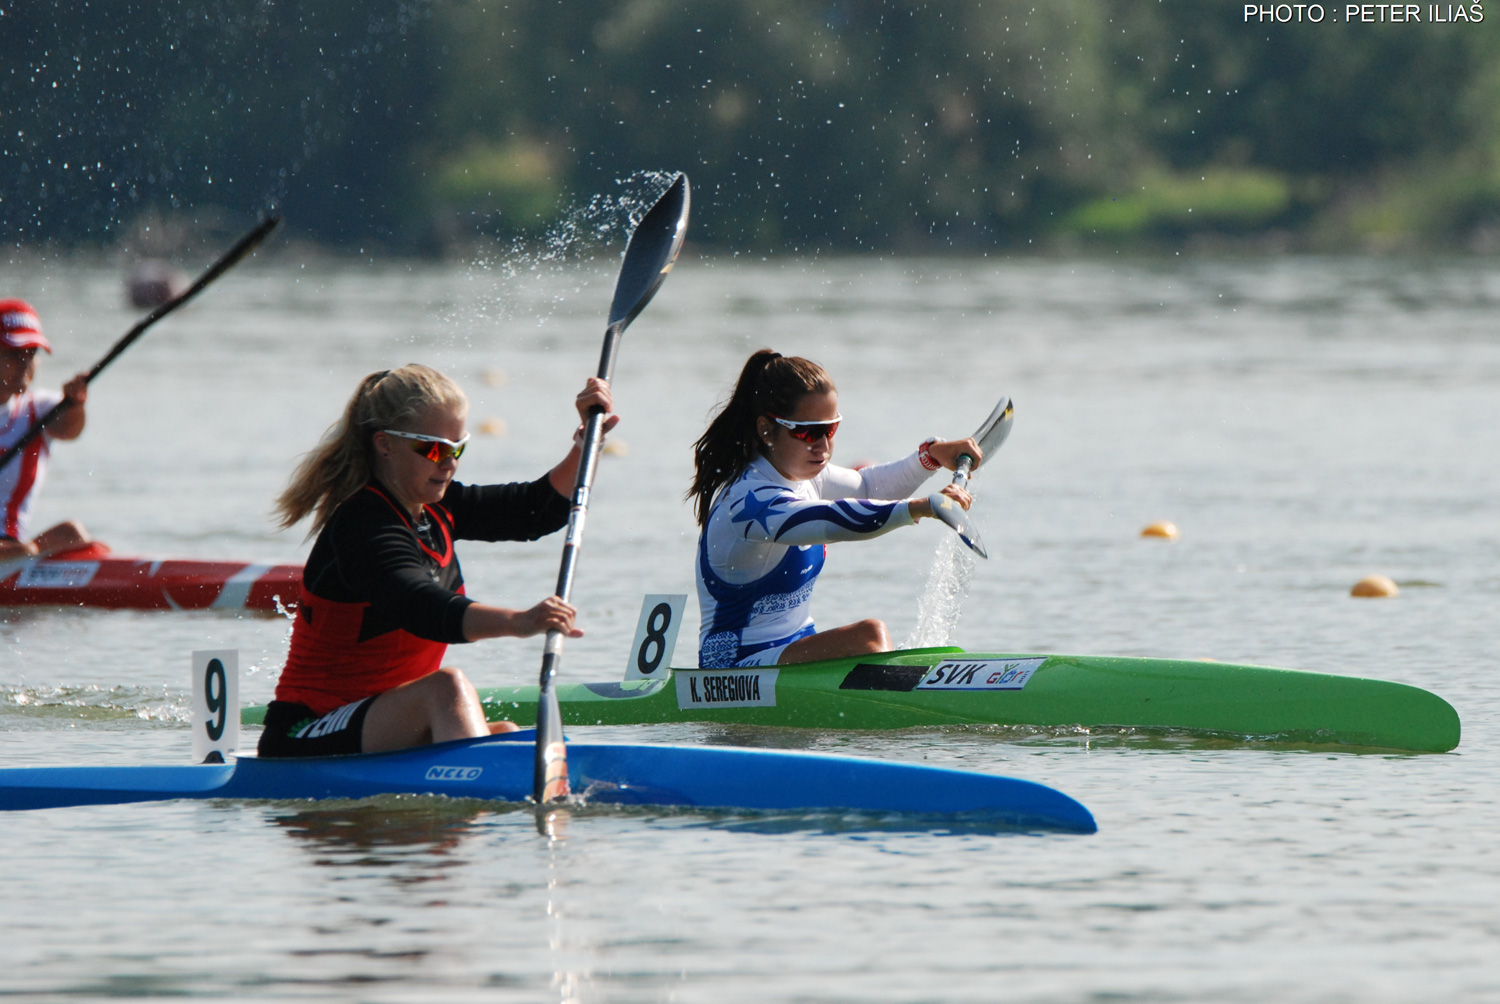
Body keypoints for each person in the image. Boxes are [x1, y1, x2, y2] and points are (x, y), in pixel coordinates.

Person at [257, 363, 618, 758]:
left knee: (511, 734)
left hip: (379, 723)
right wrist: (520, 621)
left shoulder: (439, 508)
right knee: (447, 689)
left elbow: (534, 510)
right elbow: (421, 607)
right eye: (433, 449)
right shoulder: (362, 524)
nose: (449, 463)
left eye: (458, 448)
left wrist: (587, 444)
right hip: (305, 730)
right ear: (385, 444)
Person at [688, 349, 983, 669]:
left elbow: (869, 487)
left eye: (830, 430)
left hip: (793, 649)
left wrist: (932, 455)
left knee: (868, 638)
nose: (823, 446)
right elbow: (830, 521)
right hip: (733, 668)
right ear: (765, 429)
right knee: (870, 635)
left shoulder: (804, 478)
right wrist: (921, 507)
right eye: (807, 432)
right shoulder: (748, 502)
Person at [0, 298, 91, 560]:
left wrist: (75, 404)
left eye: (32, 354)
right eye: (14, 354)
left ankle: (23, 558)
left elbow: (71, 429)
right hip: (15, 551)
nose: (26, 364)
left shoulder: (40, 409)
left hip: (11, 549)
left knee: (74, 534)